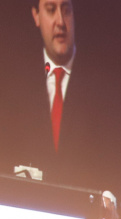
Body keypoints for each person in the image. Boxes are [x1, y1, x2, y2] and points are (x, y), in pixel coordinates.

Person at [32, 0, 76, 153]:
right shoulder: (14, 87)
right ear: (36, 16)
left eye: (66, 11)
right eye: (51, 10)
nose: (60, 22)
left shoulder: (105, 89)